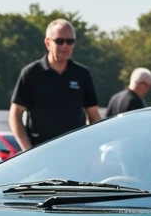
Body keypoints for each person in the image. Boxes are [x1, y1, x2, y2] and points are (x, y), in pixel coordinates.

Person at [8, 19, 100, 151]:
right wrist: (27, 150)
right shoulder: (32, 73)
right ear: (47, 42)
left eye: (70, 41)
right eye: (59, 41)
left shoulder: (81, 74)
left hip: (76, 151)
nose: (65, 46)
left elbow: (93, 115)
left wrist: (95, 149)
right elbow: (15, 115)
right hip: (41, 152)